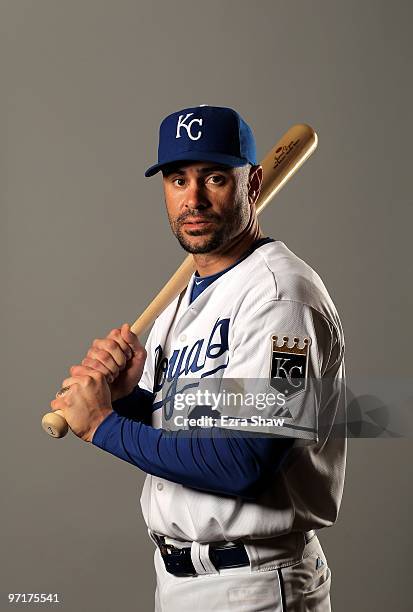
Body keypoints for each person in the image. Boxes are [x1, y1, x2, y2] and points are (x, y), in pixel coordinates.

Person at [51, 105, 347, 611]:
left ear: (253, 183)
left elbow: (247, 460)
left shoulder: (283, 300)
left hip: (255, 583)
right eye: (177, 180)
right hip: (179, 581)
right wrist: (126, 401)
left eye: (213, 177)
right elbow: (195, 426)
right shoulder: (182, 298)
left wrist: (102, 426)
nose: (193, 199)